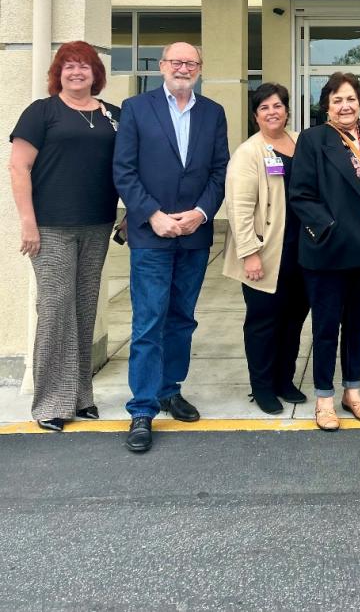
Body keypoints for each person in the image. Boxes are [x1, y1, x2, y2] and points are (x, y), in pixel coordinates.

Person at [113, 42, 229, 453]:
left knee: (182, 318)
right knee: (148, 320)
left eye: (191, 62)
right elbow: (123, 171)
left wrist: (200, 213)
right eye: (176, 62)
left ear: (199, 68)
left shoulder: (212, 112)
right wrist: (154, 215)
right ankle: (141, 408)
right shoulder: (135, 108)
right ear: (161, 67)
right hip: (151, 234)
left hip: (194, 234)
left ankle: (169, 389)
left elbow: (219, 171)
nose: (183, 68)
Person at [9, 41, 121, 432]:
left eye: (84, 66)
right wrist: (28, 222)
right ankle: (50, 403)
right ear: (59, 73)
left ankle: (79, 395)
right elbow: (19, 168)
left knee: (84, 307)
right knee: (56, 309)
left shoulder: (112, 116)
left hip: (97, 224)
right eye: (69, 66)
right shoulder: (42, 113)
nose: (77, 72)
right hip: (52, 226)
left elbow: (123, 169)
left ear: (96, 74)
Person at [289, 72, 360, 431]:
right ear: (326, 106)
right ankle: (324, 398)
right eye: (337, 100)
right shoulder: (314, 139)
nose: (345, 105)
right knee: (325, 326)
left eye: (350, 98)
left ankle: (353, 392)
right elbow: (301, 194)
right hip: (329, 250)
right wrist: (329, 227)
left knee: (357, 325)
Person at [222, 83, 308, 415]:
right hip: (266, 253)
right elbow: (239, 209)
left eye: (278, 106)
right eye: (264, 108)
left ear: (287, 109)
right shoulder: (249, 152)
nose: (273, 112)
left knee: (294, 320)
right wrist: (250, 254)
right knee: (263, 322)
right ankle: (262, 387)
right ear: (256, 115)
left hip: (303, 252)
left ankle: (285, 380)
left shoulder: (301, 142)